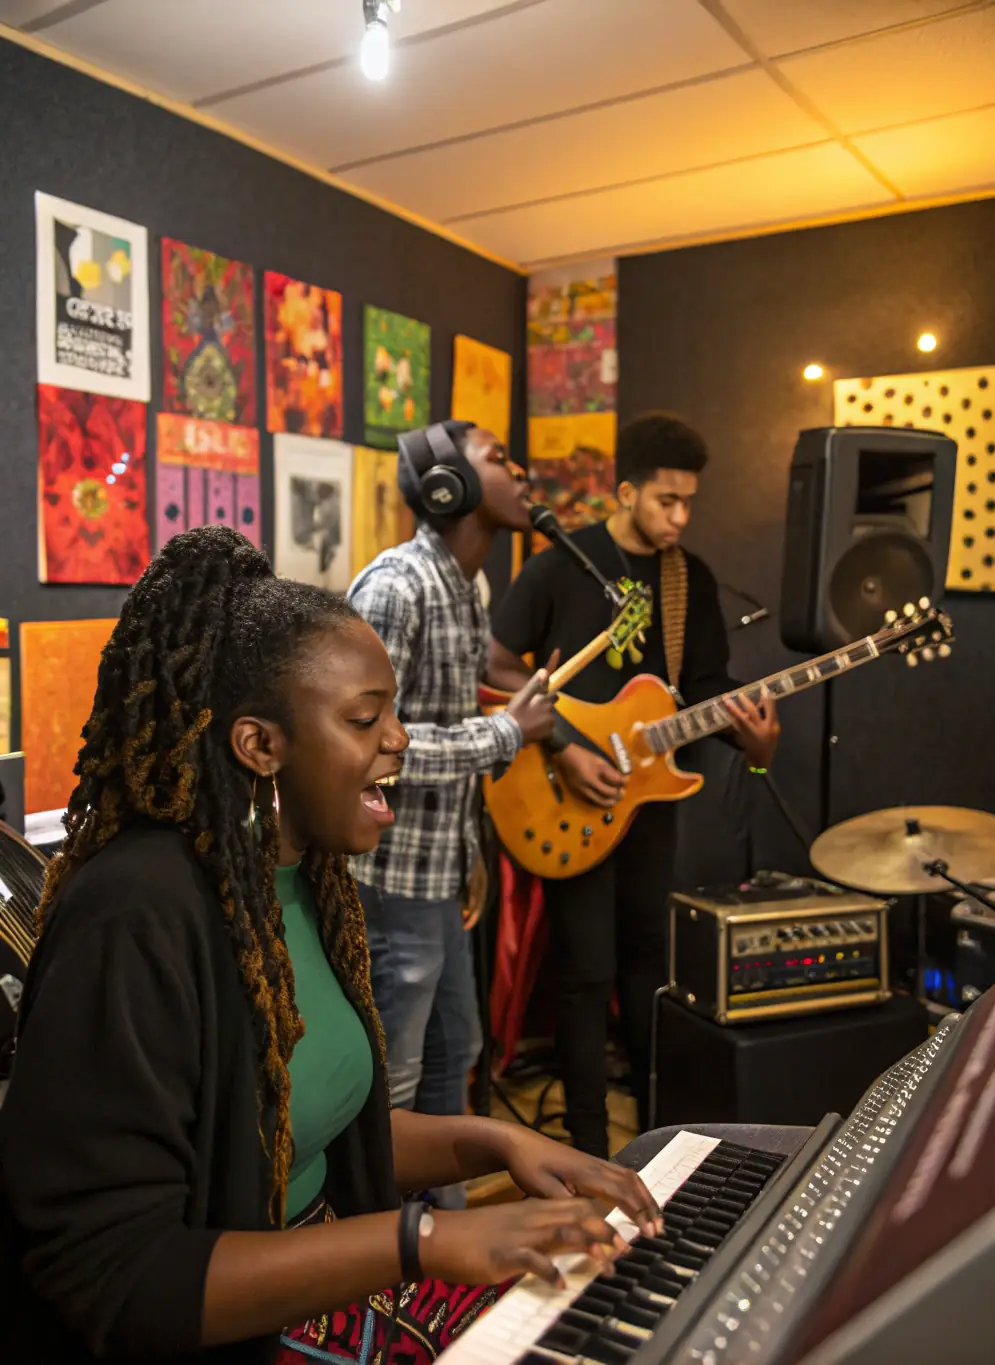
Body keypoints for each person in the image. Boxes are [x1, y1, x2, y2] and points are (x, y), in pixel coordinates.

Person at [0, 526, 660, 1365]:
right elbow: (116, 1272)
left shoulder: (298, 872)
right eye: (365, 717)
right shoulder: (134, 917)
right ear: (260, 745)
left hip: (326, 1283)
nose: (402, 738)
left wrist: (497, 1140)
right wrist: (418, 1241)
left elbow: (307, 1128)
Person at [488, 411, 781, 1158]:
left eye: (689, 503)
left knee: (649, 965)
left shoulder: (690, 578)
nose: (680, 517)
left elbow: (704, 686)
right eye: (666, 502)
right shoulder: (564, 560)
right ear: (626, 490)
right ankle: (585, 1147)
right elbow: (495, 658)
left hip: (647, 795)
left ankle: (655, 1137)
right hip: (568, 786)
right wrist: (567, 745)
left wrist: (749, 737)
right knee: (586, 974)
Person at [348, 421, 556, 1180]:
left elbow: (441, 718)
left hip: (438, 880)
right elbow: (366, 748)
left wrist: (469, 855)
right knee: (394, 1093)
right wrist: (506, 733)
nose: (522, 469)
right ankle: (381, 1267)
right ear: (448, 486)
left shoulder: (470, 588)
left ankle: (445, 1261)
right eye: (500, 458)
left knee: (454, 1064)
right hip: (389, 886)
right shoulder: (396, 586)